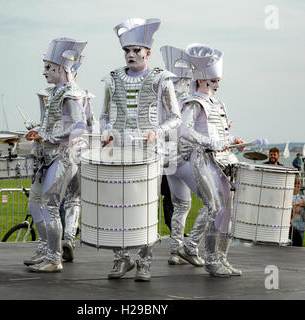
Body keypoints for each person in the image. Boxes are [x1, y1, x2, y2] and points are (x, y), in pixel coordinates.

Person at [100, 18, 181, 281]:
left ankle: (144, 261)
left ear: (148, 51)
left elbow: (175, 117)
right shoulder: (112, 79)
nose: (131, 55)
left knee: (146, 205)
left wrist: (156, 131)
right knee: (117, 205)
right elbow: (104, 116)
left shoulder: (161, 78)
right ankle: (120, 258)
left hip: (150, 153)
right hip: (120, 152)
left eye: (136, 50)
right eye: (127, 50)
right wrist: (107, 130)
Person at [169, 43, 245, 277]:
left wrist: (232, 139)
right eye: (214, 81)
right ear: (202, 80)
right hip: (201, 159)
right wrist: (209, 143)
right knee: (214, 207)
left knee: (226, 210)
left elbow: (218, 133)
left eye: (218, 80)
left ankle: (221, 257)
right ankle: (206, 256)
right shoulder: (193, 102)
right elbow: (183, 130)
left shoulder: (218, 104)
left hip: (221, 160)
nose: (217, 84)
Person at [23, 37, 90, 272]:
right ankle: (45, 249)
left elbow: (80, 126)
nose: (44, 72)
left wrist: (48, 137)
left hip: (63, 156)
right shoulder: (55, 92)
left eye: (48, 67)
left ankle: (54, 258)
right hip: (47, 156)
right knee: (34, 205)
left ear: (60, 68)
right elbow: (50, 124)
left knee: (51, 206)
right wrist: (38, 131)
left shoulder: (72, 93)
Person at [160, 45, 193, 265]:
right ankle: (186, 247)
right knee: (213, 203)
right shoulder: (182, 102)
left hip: (166, 157)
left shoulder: (165, 98)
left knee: (178, 204)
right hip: (174, 157)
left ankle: (177, 247)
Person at [291, 178, 305, 244]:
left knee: (299, 244)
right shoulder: (288, 196)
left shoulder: (302, 197)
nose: (297, 188)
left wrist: (296, 204)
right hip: (292, 225)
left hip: (301, 225)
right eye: (295, 186)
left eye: (298, 187)